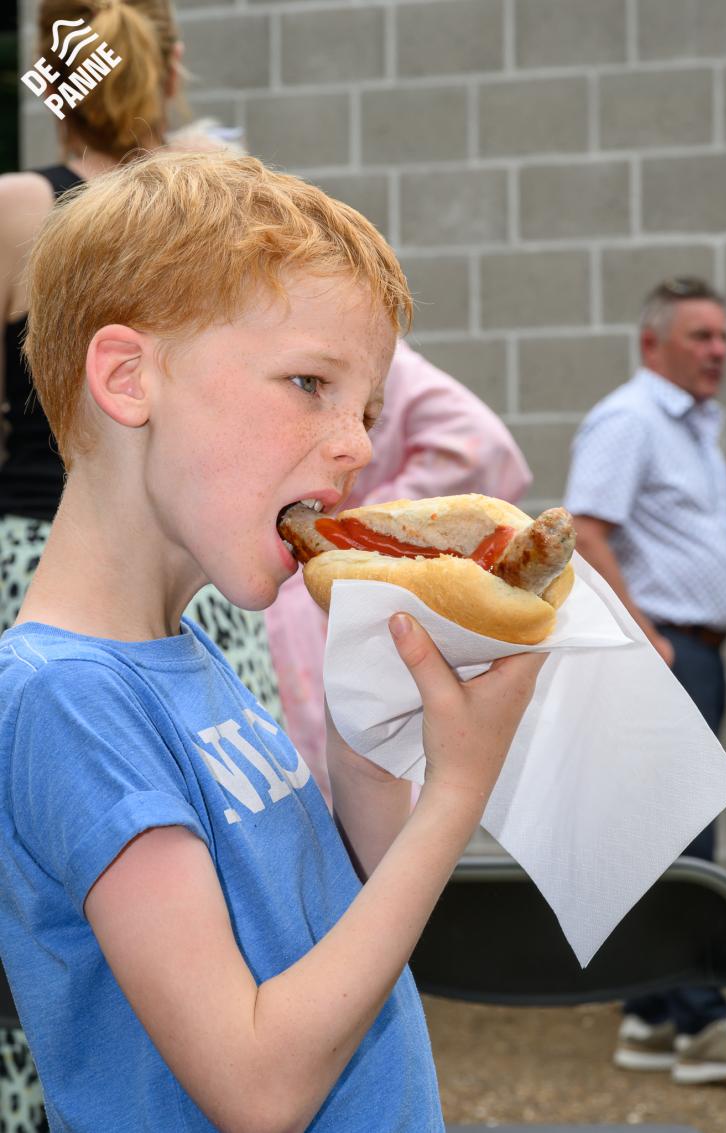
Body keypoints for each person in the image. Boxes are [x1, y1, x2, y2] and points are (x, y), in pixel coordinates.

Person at [0, 149, 546, 1132]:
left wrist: (368, 740)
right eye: (309, 382)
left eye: (366, 409)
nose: (358, 444)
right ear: (127, 377)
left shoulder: (189, 656)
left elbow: (338, 928)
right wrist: (458, 793)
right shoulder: (66, 698)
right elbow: (257, 1084)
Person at [0, 0, 282, 724]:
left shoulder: (17, 207)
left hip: (36, 564)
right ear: (172, 68)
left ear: (50, 81)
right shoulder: (228, 207)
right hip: (200, 578)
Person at [563, 276, 726, 1086]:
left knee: (667, 831)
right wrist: (648, 637)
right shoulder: (630, 418)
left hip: (692, 650)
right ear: (652, 343)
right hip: (665, 650)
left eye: (722, 336)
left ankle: (648, 1014)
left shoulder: (697, 425)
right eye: (699, 336)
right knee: (680, 835)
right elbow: (584, 530)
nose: (717, 350)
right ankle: (700, 1021)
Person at [265, 339, 532, 802]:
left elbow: (483, 447)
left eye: (371, 418)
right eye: (307, 384)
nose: (357, 448)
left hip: (317, 616)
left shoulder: (360, 344)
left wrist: (369, 529)